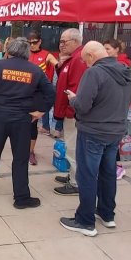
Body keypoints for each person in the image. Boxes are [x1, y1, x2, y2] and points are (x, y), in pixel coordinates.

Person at [59, 41, 131, 236]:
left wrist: (73, 99)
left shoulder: (94, 73)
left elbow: (83, 105)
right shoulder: (125, 71)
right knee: (108, 173)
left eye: (85, 61)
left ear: (91, 56)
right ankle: (107, 214)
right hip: (115, 131)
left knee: (87, 175)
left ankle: (85, 221)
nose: (85, 65)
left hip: (93, 132)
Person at [0, 38, 55, 208]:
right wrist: (41, 111)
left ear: (9, 51)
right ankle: (21, 198)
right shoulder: (34, 70)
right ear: (27, 53)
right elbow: (50, 92)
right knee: (20, 158)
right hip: (22, 119)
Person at [52, 28, 88, 195]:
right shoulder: (71, 59)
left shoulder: (78, 60)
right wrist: (60, 65)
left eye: (64, 41)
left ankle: (76, 183)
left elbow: (76, 88)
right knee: (70, 145)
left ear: (75, 41)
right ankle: (73, 176)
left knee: (73, 148)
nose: (61, 45)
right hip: (67, 110)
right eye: (60, 41)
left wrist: (68, 111)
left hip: (72, 113)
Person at [28, 31, 58, 165]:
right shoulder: (25, 53)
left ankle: (30, 152)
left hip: (37, 94)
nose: (32, 45)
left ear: (40, 41)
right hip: (23, 93)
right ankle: (21, 148)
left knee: (32, 125)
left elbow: (58, 65)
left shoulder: (46, 55)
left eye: (34, 42)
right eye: (29, 43)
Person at [103, 38, 131, 180]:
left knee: (113, 139)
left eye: (107, 48)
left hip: (118, 106)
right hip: (113, 106)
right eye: (104, 48)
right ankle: (113, 165)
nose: (105, 51)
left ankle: (118, 166)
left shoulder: (121, 66)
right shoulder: (109, 65)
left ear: (116, 50)